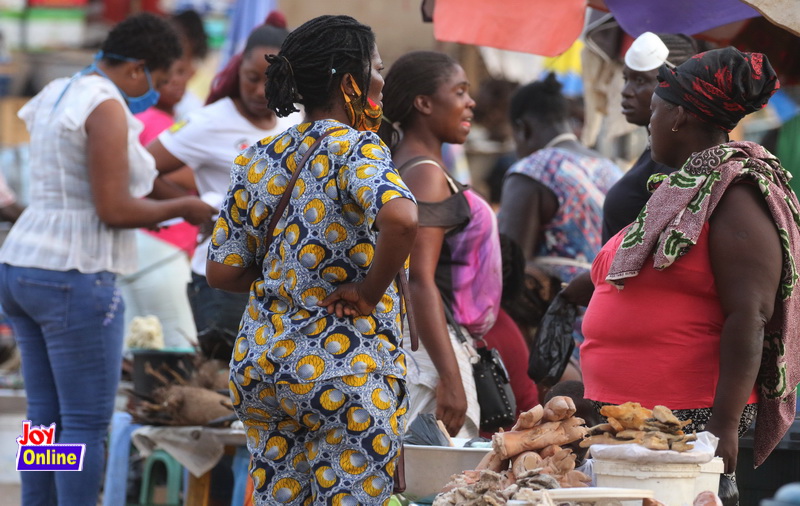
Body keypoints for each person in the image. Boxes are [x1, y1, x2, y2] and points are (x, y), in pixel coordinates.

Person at [0, 13, 214, 505]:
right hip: (73, 273)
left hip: (23, 265)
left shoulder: (59, 92)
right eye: (159, 80)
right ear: (137, 69)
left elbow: (125, 180)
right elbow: (114, 208)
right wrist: (184, 208)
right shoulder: (106, 105)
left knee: (45, 418)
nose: (157, 93)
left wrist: (175, 202)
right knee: (84, 421)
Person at [206, 15, 418, 504]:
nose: (383, 81)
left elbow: (221, 271)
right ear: (349, 83)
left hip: (262, 368)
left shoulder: (258, 156)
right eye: (377, 69)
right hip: (345, 371)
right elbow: (403, 219)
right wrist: (367, 292)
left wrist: (290, 272)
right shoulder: (357, 147)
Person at [581, 48, 799, 489]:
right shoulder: (684, 189)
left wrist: (722, 427)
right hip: (633, 412)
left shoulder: (737, 195)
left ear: (679, 116)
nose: (650, 122)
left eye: (655, 110)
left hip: (687, 418)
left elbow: (751, 314)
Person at [147, 21, 302, 359]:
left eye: (271, 80)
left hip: (281, 278)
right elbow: (141, 169)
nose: (260, 90)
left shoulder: (295, 122)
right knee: (224, 379)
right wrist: (190, 207)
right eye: (251, 78)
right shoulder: (210, 122)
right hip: (223, 278)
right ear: (237, 70)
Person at [378, 50, 502, 438]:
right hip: (428, 355)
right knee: (437, 471)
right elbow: (418, 278)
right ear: (424, 103)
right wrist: (450, 378)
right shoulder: (425, 175)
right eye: (460, 91)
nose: (471, 102)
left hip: (425, 346)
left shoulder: (410, 165)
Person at [498, 73, 622, 285]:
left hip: (558, 302)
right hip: (607, 298)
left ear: (522, 129)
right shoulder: (609, 168)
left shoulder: (531, 172)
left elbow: (510, 267)